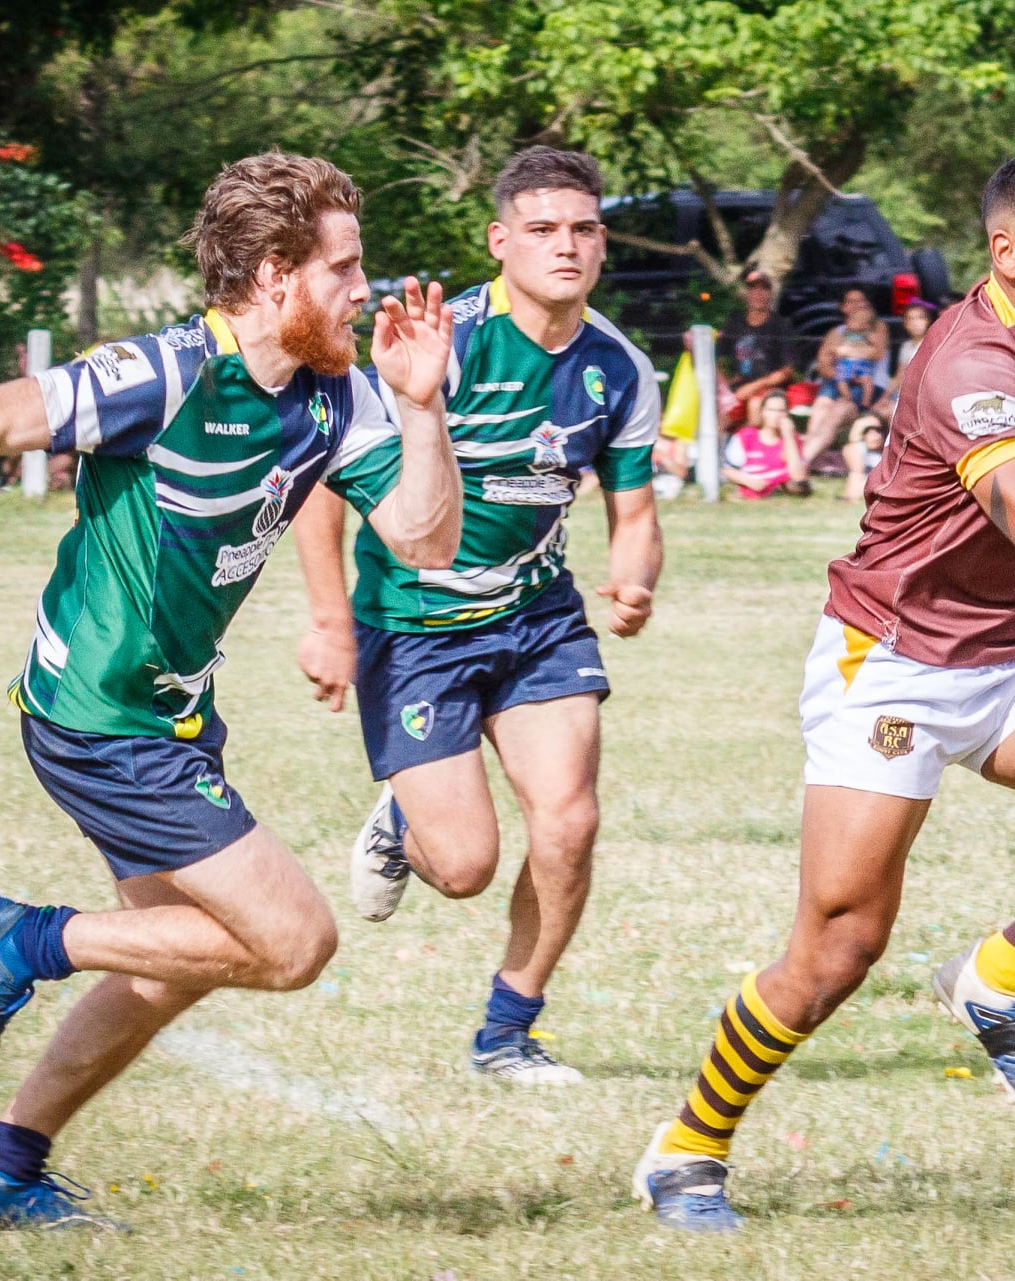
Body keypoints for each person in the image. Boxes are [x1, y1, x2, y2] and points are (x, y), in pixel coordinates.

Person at [0, 152, 462, 1231]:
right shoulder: (164, 375)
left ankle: (2, 1170)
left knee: (178, 958)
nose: (362, 291)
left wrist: (421, 409)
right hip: (99, 717)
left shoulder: (334, 394)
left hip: (171, 715)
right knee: (292, 942)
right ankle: (19, 939)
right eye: (343, 268)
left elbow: (422, 536)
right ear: (276, 274)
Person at [631, 150, 1015, 1231]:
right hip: (894, 664)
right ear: (1008, 254)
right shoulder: (968, 365)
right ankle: (686, 1150)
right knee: (836, 953)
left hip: (1013, 653)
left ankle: (997, 977)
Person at [296, 145, 662, 1087]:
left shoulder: (617, 366)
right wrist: (331, 621)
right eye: (542, 230)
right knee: (462, 866)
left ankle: (508, 1033)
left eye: (583, 228)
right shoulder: (436, 339)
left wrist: (633, 578)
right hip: (411, 623)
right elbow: (323, 487)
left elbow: (634, 511)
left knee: (570, 821)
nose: (566, 246)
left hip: (537, 617)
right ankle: (403, 819)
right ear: (502, 240)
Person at [800, 287, 890, 464]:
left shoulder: (877, 327)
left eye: (860, 300)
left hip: (867, 385)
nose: (856, 305)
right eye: (851, 301)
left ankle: (804, 460)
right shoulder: (837, 332)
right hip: (838, 380)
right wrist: (842, 375)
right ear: (843, 308)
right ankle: (808, 456)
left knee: (837, 409)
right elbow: (823, 364)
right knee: (820, 407)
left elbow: (877, 352)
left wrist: (844, 351)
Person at [717, 269, 798, 422]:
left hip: (769, 389)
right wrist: (725, 386)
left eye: (764, 289)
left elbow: (786, 371)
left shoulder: (780, 325)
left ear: (770, 293)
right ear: (747, 292)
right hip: (740, 387)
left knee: (756, 405)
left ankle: (751, 442)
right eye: (753, 289)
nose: (758, 294)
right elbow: (716, 357)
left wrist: (754, 386)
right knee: (719, 415)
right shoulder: (735, 322)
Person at [722, 389, 810, 499]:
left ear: (787, 413)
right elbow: (728, 470)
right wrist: (751, 482)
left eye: (781, 411)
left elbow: (799, 478)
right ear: (763, 412)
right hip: (754, 489)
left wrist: (789, 437)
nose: (776, 415)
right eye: (771, 410)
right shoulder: (746, 437)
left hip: (783, 491)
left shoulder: (792, 439)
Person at [874, 300, 936, 423]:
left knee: (895, 414)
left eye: (920, 318)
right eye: (911, 319)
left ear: (928, 321)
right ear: (905, 324)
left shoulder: (933, 344)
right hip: (902, 394)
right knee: (879, 413)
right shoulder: (906, 346)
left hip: (922, 396)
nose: (915, 323)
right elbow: (900, 375)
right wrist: (884, 397)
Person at [841, 412, 886, 503]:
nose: (875, 436)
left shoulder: (890, 452)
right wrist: (855, 438)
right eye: (867, 431)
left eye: (878, 430)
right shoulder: (854, 449)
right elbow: (857, 470)